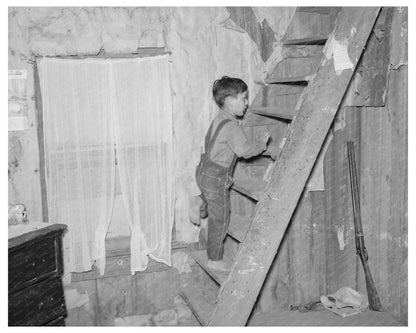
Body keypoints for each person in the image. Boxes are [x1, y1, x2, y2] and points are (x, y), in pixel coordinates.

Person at [194, 76, 271, 271]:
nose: (247, 103)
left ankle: (198, 203)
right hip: (216, 177)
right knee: (220, 217)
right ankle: (214, 258)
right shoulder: (231, 126)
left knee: (209, 198)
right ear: (230, 101)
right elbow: (245, 151)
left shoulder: (220, 118)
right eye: (244, 98)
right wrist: (261, 145)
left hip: (204, 170)